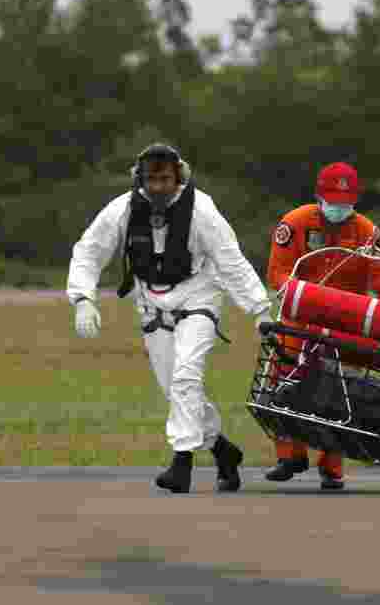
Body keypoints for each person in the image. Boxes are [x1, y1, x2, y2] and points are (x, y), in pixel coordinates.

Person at [67, 143, 273, 494]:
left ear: (179, 177)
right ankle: (223, 450)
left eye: (165, 178)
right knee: (176, 390)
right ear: (140, 180)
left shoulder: (203, 211)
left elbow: (231, 261)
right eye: (151, 180)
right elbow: (89, 249)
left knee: (185, 376)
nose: (158, 187)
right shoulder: (122, 210)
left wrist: (260, 310)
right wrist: (83, 298)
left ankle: (182, 465)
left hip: (198, 297)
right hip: (151, 305)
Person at [264, 162, 380, 490]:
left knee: (336, 391)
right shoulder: (295, 224)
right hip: (299, 319)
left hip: (345, 322)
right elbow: (278, 273)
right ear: (318, 196)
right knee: (282, 380)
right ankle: (289, 455)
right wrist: (306, 297)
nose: (339, 208)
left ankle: (332, 466)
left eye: (346, 202)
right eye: (333, 200)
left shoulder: (367, 231)